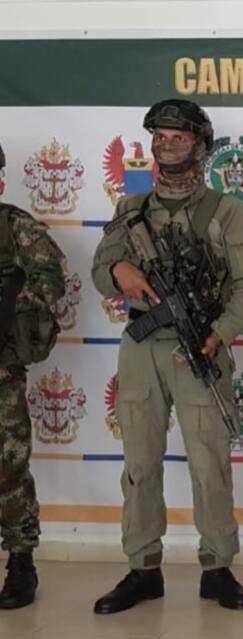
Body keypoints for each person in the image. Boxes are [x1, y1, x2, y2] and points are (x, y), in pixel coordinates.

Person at [91, 100, 243, 613]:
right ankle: (143, 567)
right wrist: (119, 272)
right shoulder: (130, 210)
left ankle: (218, 567)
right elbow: (102, 270)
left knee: (209, 462)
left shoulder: (226, 213)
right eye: (159, 137)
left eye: (178, 137)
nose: (166, 145)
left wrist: (220, 333)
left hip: (200, 346)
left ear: (200, 145)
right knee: (140, 462)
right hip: (142, 348)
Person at [0, 139, 67, 610]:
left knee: (7, 465)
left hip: (1, 366)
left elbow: (49, 275)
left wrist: (13, 313)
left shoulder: (14, 226)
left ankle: (21, 560)